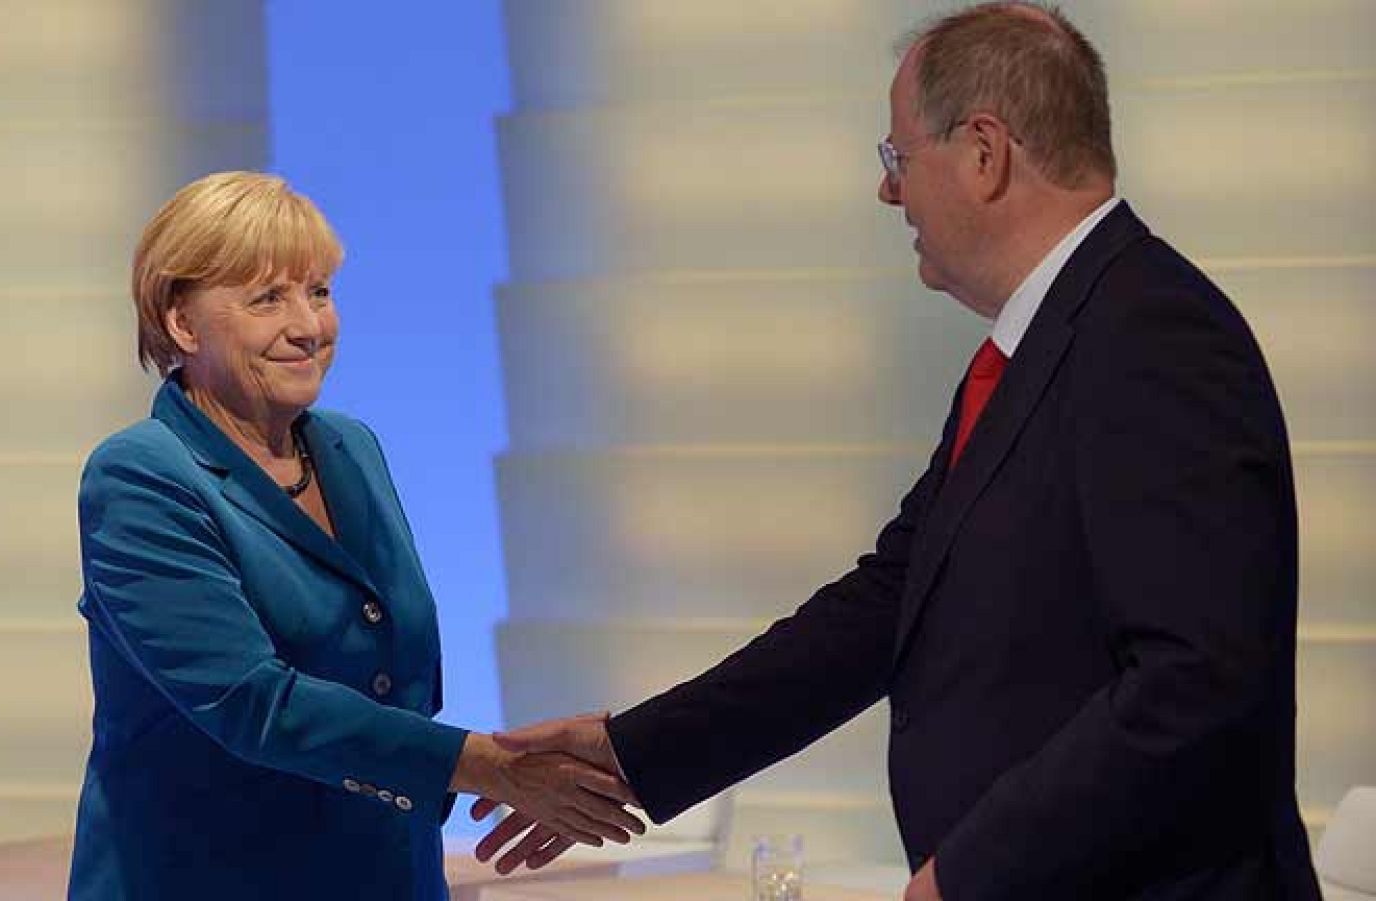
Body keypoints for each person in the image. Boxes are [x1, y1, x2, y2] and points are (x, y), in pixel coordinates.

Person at [474, 4, 1322, 899]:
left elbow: (1198, 683)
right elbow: (884, 608)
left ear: (984, 153)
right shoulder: (1036, 350)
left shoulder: (1154, 334)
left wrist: (968, 872)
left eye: (898, 159)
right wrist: (633, 751)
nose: (889, 192)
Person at [66, 171, 643, 900]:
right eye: (267, 298)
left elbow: (402, 675)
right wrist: (483, 763)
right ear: (182, 323)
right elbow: (252, 702)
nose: (308, 326)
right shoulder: (140, 475)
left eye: (319, 291)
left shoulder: (350, 447)